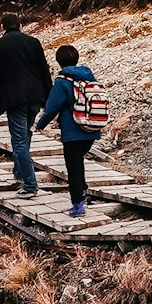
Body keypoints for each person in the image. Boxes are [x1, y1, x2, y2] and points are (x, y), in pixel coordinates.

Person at [0, 14, 53, 196]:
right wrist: (50, 98)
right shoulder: (33, 42)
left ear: (1, 26)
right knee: (24, 136)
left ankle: (30, 185)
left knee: (19, 141)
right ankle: (19, 174)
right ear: (20, 25)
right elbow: (44, 70)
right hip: (35, 96)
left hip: (14, 99)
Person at [49, 43, 108, 219]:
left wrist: (40, 124)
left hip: (72, 131)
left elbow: (52, 106)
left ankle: (78, 204)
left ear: (59, 62)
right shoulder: (90, 78)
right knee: (78, 161)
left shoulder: (62, 81)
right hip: (91, 129)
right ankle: (83, 191)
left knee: (73, 165)